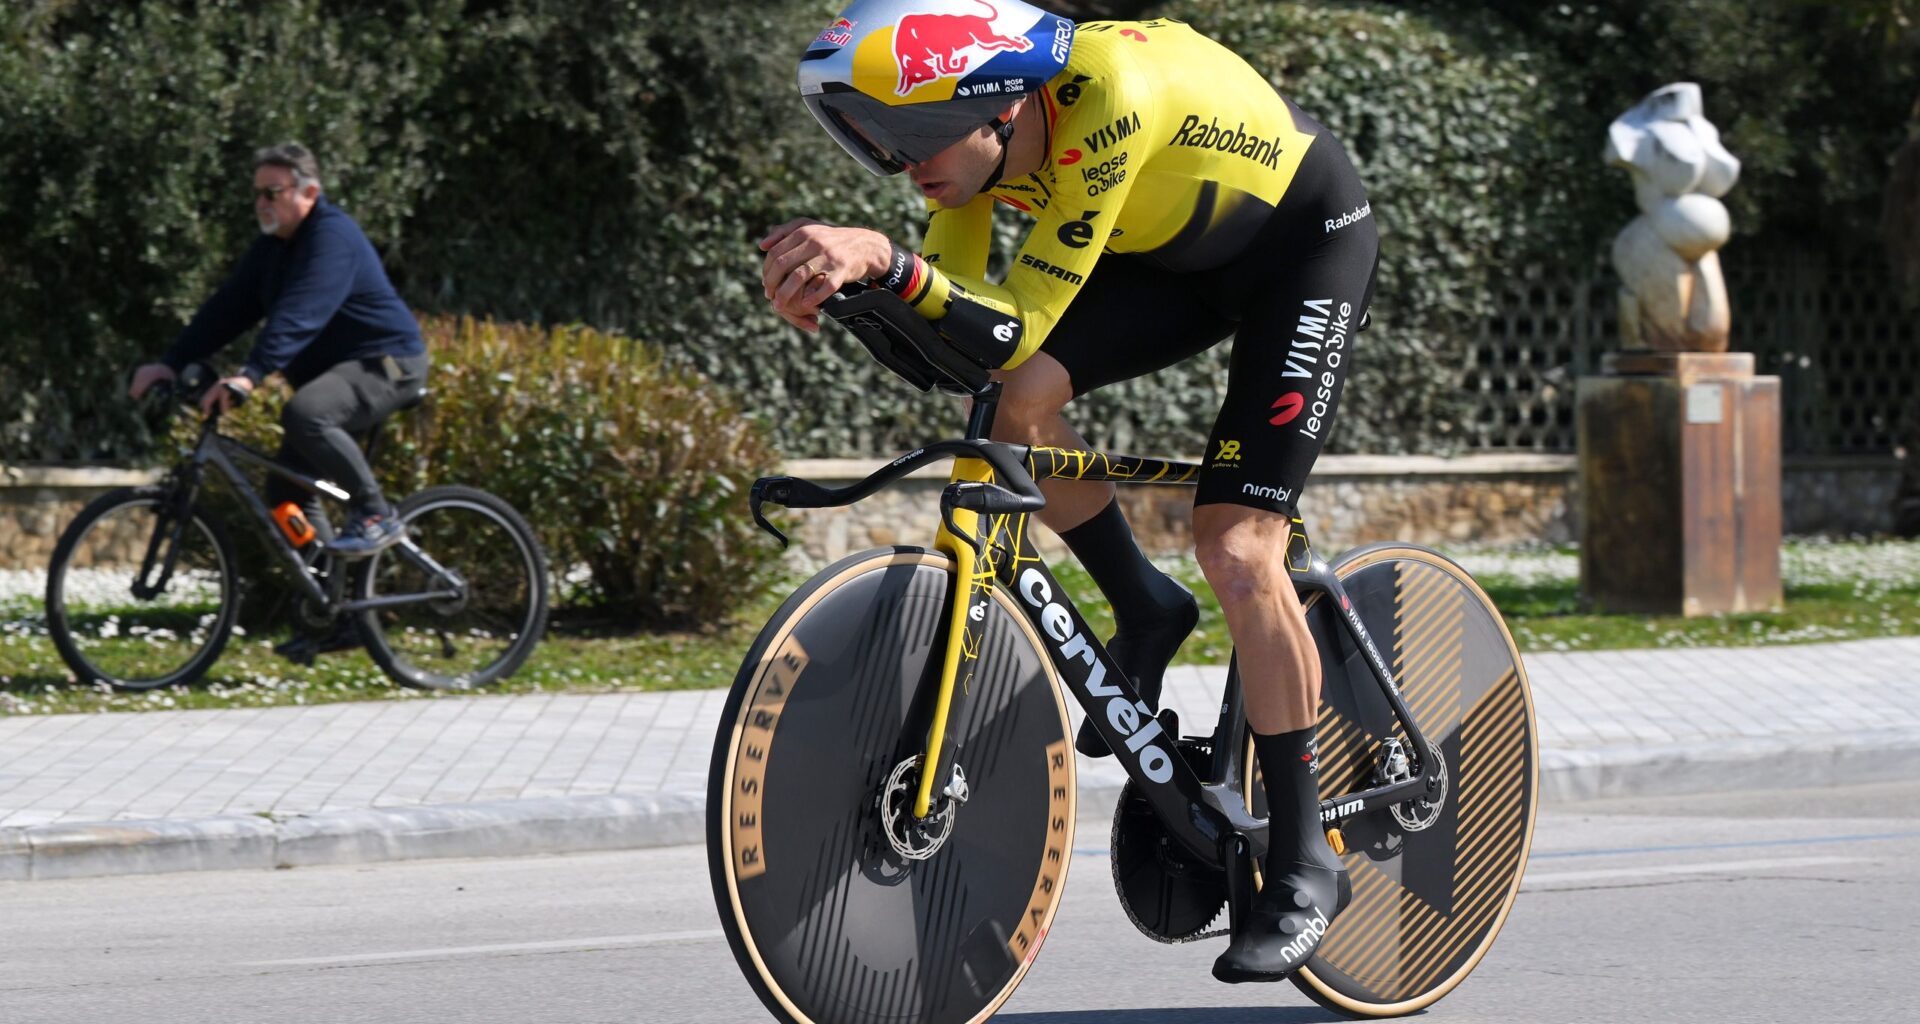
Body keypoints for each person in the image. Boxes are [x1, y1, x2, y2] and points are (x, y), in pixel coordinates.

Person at [760, 0, 1377, 983]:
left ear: (1001, 105)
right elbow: (965, 353)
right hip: (1172, 253)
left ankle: (1307, 856)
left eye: (914, 128)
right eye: (880, 134)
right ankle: (1142, 602)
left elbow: (1012, 319)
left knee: (1236, 544)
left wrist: (889, 261)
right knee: (1019, 402)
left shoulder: (1108, 100)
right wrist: (859, 292)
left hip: (1298, 249)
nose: (902, 158)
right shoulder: (963, 154)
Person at [129, 143, 428, 561]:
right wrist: (170, 363)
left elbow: (300, 314)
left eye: (273, 192)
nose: (261, 203)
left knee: (307, 413)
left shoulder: (331, 238)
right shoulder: (273, 249)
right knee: (287, 493)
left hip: (386, 363)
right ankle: (335, 612)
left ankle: (376, 513)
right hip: (340, 374)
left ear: (309, 193)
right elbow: (227, 310)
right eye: (257, 193)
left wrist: (250, 373)